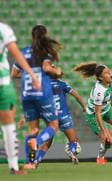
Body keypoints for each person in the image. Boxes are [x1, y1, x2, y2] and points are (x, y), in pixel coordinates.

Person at [10, 24, 63, 169]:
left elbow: (13, 74)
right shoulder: (44, 51)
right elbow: (46, 68)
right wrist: (56, 72)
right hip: (42, 93)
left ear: (31, 37)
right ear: (45, 36)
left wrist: (29, 73)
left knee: (32, 129)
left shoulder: (23, 52)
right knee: (53, 125)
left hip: (27, 95)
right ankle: (37, 142)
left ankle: (29, 162)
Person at [15, 71, 86, 167]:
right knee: (73, 141)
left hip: (51, 116)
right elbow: (76, 96)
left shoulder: (43, 85)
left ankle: (36, 161)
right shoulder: (62, 84)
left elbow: (34, 103)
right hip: (64, 116)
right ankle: (72, 151)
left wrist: (25, 116)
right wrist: (83, 107)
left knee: (47, 143)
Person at [0, 22, 41, 175]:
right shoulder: (4, 29)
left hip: (3, 82)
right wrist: (31, 74)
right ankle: (14, 167)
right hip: (2, 84)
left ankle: (14, 167)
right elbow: (16, 53)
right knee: (8, 126)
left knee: (9, 125)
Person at [72, 61, 112, 164]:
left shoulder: (108, 81)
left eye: (109, 71)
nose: (110, 73)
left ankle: (105, 130)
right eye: (106, 73)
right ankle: (100, 157)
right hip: (94, 115)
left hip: (106, 109)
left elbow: (109, 92)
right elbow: (97, 113)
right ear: (101, 78)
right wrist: (104, 131)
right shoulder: (99, 92)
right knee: (108, 140)